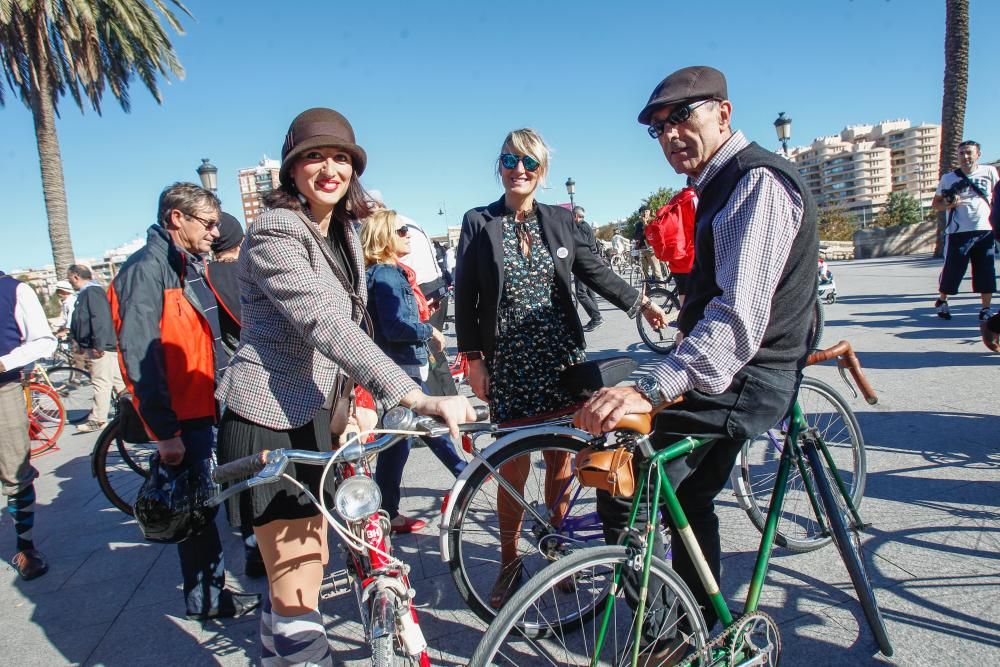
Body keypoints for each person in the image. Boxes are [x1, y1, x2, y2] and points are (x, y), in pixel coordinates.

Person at [215, 107, 474, 665]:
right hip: (267, 416)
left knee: (301, 574)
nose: (328, 168)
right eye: (313, 156)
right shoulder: (275, 231)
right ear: (290, 169)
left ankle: (272, 651)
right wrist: (410, 392)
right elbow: (323, 321)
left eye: (340, 158)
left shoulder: (342, 232)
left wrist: (357, 404)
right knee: (299, 586)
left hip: (314, 412)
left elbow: (352, 328)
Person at [578, 66, 818, 651]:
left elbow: (736, 322)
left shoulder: (754, 182)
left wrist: (653, 386)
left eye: (682, 117)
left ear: (724, 114)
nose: (669, 135)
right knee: (681, 491)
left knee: (625, 476)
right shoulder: (717, 185)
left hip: (749, 375)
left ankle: (671, 638)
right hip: (736, 370)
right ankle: (692, 624)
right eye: (658, 128)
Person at [454, 127, 666, 608]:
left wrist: (640, 303)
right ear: (500, 166)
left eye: (530, 163)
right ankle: (509, 561)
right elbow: (466, 297)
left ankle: (556, 549)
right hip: (509, 359)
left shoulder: (560, 221)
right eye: (510, 160)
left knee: (561, 459)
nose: (520, 170)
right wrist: (474, 360)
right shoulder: (478, 221)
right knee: (514, 463)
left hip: (559, 356)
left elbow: (595, 270)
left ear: (542, 172)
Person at [110, 182, 259, 620]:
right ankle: (208, 600)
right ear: (178, 218)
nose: (216, 232)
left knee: (201, 503)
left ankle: (208, 596)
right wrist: (164, 432)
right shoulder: (146, 270)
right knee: (192, 508)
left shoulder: (182, 265)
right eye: (208, 223)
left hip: (202, 405)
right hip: (183, 415)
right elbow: (139, 354)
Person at [361, 209, 467, 533]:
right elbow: (394, 326)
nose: (408, 234)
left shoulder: (386, 273)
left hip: (400, 365)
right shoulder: (387, 274)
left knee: (406, 438)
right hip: (400, 367)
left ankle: (388, 511)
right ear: (384, 237)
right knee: (414, 433)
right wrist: (429, 331)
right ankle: (467, 474)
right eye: (402, 229)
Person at [0, 271, 56, 580]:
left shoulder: (14, 290)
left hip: (2, 389)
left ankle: (26, 547)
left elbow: (44, 341)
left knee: (14, 470)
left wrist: (5, 362)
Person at [931, 140, 998, 321]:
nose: (965, 157)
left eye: (969, 153)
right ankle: (942, 301)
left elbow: (997, 197)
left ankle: (985, 308)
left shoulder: (990, 172)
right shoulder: (948, 178)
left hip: (985, 229)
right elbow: (936, 204)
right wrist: (949, 203)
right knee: (953, 270)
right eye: (961, 153)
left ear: (978, 154)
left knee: (986, 270)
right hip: (958, 231)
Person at [66, 264, 125, 433]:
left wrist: (98, 344)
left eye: (70, 277)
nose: (69, 281)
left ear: (76, 276)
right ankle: (136, 411)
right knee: (117, 383)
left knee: (101, 382)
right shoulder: (89, 292)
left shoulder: (91, 292)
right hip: (103, 345)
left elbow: (99, 318)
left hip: (101, 346)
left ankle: (98, 419)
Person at [573, 206, 604, 331]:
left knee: (581, 292)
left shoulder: (580, 227)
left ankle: (597, 318)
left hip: (586, 261)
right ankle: (595, 319)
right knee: (590, 291)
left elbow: (581, 246)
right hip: (593, 259)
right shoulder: (586, 226)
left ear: (575, 216)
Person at [634, 205, 665, 281]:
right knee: (644, 273)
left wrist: (645, 224)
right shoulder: (638, 224)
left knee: (656, 271)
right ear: (640, 214)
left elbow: (651, 234)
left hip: (651, 249)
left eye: (646, 211)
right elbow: (636, 236)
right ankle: (648, 290)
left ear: (650, 212)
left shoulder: (653, 221)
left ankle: (661, 290)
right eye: (642, 212)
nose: (645, 213)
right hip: (642, 249)